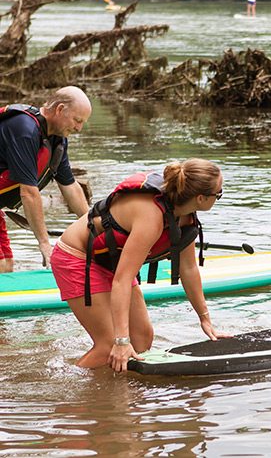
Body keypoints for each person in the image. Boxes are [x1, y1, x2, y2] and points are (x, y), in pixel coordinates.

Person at [51, 158, 230, 372]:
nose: (219, 197)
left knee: (142, 339)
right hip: (78, 257)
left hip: (109, 261)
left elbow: (189, 269)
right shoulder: (151, 217)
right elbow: (122, 281)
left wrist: (205, 320)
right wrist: (120, 341)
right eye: (218, 194)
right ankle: (68, 385)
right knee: (109, 345)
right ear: (201, 198)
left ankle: (112, 390)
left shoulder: (185, 217)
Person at [0, 86, 92, 273]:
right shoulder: (24, 129)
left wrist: (93, 228)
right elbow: (29, 192)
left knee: (6, 266)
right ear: (59, 109)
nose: (79, 128)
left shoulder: (56, 140)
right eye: (77, 120)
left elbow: (70, 186)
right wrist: (44, 244)